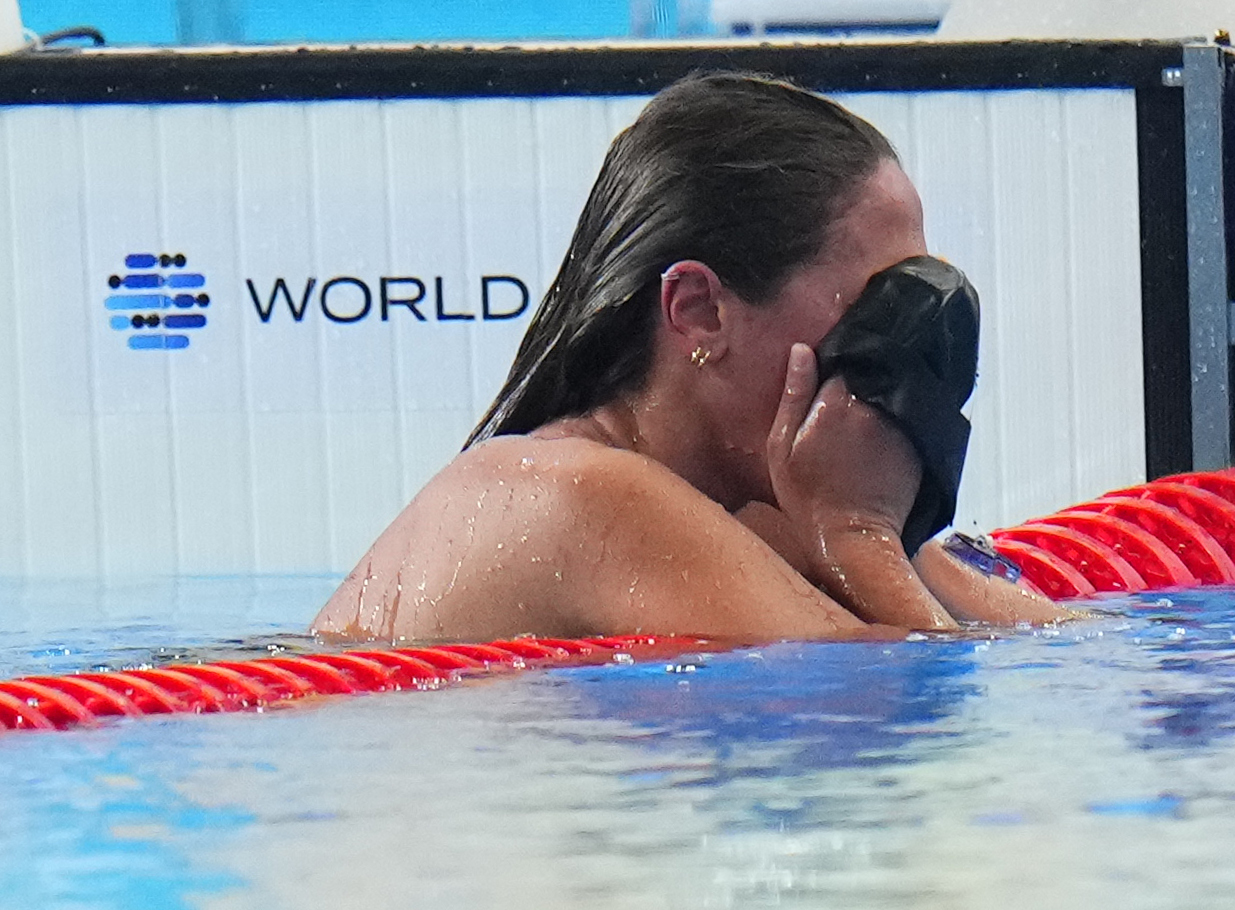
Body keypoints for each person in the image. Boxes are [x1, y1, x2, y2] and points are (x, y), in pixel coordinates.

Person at [312, 72, 1073, 644]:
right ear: (700, 312)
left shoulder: (741, 512)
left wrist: (879, 532)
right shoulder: (587, 496)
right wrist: (856, 537)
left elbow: (1058, 655)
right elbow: (909, 708)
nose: (902, 343)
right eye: (878, 302)